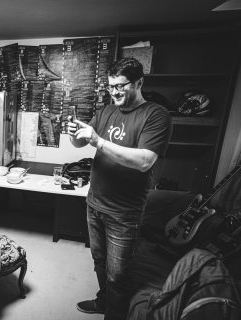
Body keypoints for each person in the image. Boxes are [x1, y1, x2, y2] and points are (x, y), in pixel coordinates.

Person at [67, 57, 172, 320]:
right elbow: (82, 143)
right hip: (95, 204)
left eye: (121, 86)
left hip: (124, 212)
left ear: (139, 83)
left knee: (118, 273)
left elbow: (145, 161)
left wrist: (98, 141)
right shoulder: (106, 111)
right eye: (111, 86)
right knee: (100, 263)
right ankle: (104, 302)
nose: (114, 92)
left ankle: (114, 315)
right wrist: (73, 134)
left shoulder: (155, 115)